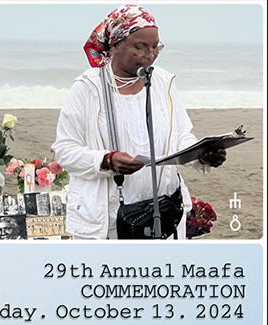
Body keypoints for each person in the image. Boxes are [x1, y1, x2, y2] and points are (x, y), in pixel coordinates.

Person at [53, 5, 227, 239]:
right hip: (108, 222)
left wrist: (200, 155)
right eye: (140, 47)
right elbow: (64, 151)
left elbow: (181, 137)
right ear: (114, 44)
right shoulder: (88, 87)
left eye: (155, 47)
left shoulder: (163, 82)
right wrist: (106, 160)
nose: (150, 55)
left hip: (165, 212)